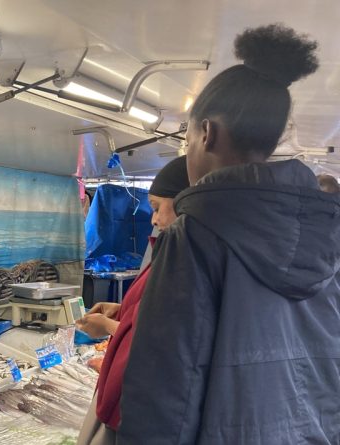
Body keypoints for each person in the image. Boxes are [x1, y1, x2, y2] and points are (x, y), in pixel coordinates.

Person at [119, 24, 339, 444]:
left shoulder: (195, 235)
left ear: (207, 133)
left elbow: (165, 388)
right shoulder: (329, 231)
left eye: (186, 141)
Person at [76, 155, 190, 445]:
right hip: (120, 394)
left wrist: (109, 327)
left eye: (156, 208)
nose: (153, 219)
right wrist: (121, 309)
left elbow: (164, 336)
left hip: (138, 402)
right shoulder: (167, 250)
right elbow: (150, 309)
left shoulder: (188, 262)